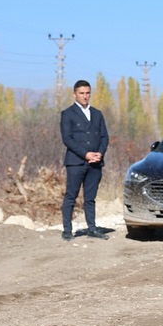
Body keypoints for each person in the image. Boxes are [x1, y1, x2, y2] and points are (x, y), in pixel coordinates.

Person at [60, 79, 109, 240]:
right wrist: (86, 154)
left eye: (87, 93)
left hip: (95, 163)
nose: (85, 96)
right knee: (71, 196)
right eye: (81, 93)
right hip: (76, 162)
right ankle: (67, 230)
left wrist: (99, 153)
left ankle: (92, 228)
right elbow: (67, 139)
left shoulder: (97, 114)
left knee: (90, 198)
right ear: (75, 94)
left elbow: (104, 137)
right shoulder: (67, 114)